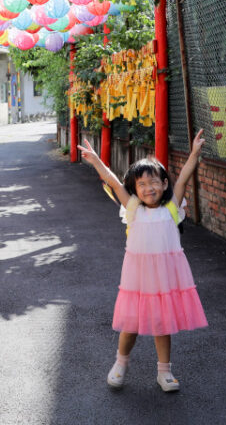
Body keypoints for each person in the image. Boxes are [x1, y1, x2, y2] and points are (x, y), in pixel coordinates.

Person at [78, 130, 208, 392]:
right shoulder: (133, 209)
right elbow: (114, 182)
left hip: (165, 279)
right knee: (130, 325)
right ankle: (120, 364)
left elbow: (184, 177)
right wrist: (96, 162)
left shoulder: (172, 209)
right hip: (137, 279)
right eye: (142, 185)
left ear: (163, 183)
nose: (149, 188)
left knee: (163, 323)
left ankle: (164, 371)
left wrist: (194, 153)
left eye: (154, 182)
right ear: (135, 189)